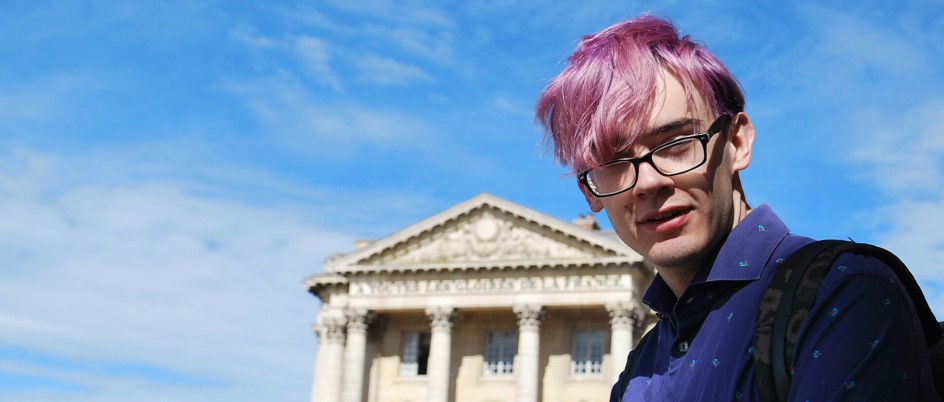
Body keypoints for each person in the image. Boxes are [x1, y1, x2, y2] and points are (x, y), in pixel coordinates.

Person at [534, 15, 939, 401]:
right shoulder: (638, 370)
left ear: (737, 143)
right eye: (615, 163)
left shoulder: (844, 295)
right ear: (590, 192)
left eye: (676, 144)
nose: (648, 182)